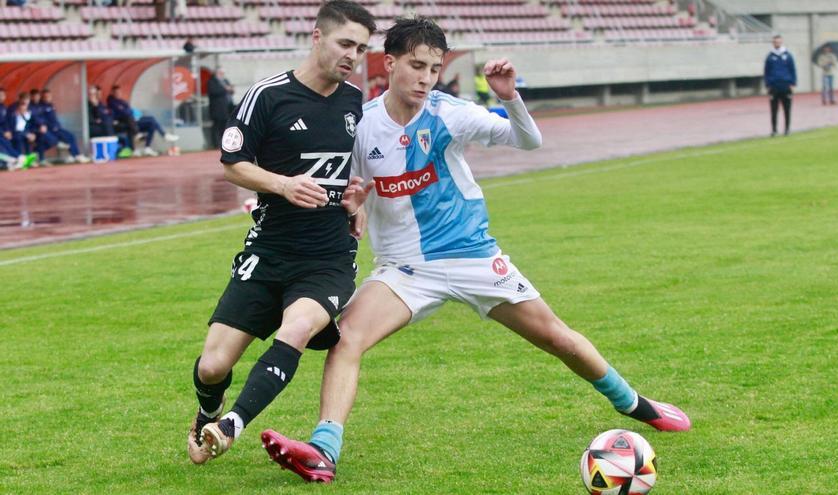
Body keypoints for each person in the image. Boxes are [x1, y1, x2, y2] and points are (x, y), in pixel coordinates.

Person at [262, 16, 692, 484]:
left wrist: (509, 97)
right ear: (388, 64)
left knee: (556, 337)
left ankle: (634, 403)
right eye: (416, 65)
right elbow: (352, 187)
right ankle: (324, 449)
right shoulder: (362, 125)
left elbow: (528, 141)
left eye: (434, 67)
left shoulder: (450, 113)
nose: (426, 77)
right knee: (347, 338)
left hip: (472, 257)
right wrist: (354, 205)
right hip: (406, 269)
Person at [185, 0, 377, 466]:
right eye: (345, 43)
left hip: (327, 256)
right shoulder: (267, 96)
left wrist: (356, 202)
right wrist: (283, 184)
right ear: (317, 37)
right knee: (213, 366)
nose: (353, 55)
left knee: (296, 327)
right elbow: (232, 164)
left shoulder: (356, 102)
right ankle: (208, 410)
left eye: (362, 48)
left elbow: (353, 172)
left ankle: (231, 425)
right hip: (269, 251)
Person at [107, 85, 178, 156]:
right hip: (124, 123)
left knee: (152, 122)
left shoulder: (122, 101)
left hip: (133, 122)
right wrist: (127, 112)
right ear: (112, 93)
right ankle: (158, 136)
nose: (118, 94)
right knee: (137, 121)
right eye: (116, 92)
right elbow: (125, 113)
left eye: (119, 92)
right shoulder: (111, 101)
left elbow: (129, 111)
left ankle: (148, 146)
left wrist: (128, 112)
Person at [38, 89, 90, 164]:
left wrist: (57, 126)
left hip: (58, 129)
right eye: (46, 96)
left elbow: (54, 118)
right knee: (45, 142)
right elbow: (42, 120)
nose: (48, 98)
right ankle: (41, 158)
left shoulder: (51, 105)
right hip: (50, 130)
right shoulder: (41, 107)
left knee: (71, 136)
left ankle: (76, 155)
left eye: (49, 96)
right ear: (42, 97)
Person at [764, 35, 797, 136]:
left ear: (781, 42)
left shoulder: (788, 55)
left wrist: (793, 83)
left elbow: (793, 70)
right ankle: (774, 130)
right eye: (775, 42)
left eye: (778, 42)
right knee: (774, 110)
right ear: (773, 43)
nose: (777, 44)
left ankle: (787, 129)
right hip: (774, 87)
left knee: (787, 109)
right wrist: (768, 85)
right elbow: (766, 72)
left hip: (786, 86)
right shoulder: (770, 57)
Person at [88, 85, 132, 156]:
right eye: (92, 94)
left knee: (126, 126)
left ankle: (126, 148)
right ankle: (116, 149)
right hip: (92, 127)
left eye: (95, 94)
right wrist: (96, 108)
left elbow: (108, 113)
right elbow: (91, 118)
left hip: (104, 125)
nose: (94, 96)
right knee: (108, 125)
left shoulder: (99, 104)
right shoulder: (87, 105)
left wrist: (96, 107)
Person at [207, 68, 234, 148]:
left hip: (227, 108)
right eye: (221, 73)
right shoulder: (211, 82)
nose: (222, 75)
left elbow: (230, 91)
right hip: (217, 108)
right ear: (217, 73)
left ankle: (224, 143)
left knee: (225, 126)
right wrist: (225, 89)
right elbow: (213, 92)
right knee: (217, 126)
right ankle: (216, 144)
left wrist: (231, 89)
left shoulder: (225, 81)